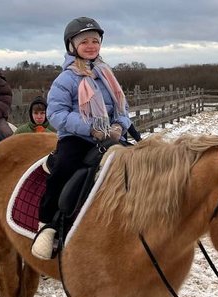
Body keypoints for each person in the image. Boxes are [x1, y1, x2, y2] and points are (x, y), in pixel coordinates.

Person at [31, 16, 131, 260]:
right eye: (84, 41)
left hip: (110, 137)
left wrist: (119, 126)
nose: (90, 46)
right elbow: (56, 114)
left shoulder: (107, 74)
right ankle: (48, 225)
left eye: (95, 41)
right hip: (77, 137)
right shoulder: (66, 79)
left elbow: (123, 108)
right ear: (72, 45)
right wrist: (91, 128)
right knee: (64, 167)